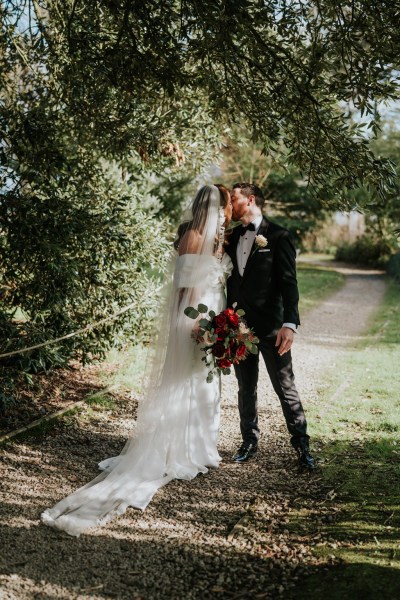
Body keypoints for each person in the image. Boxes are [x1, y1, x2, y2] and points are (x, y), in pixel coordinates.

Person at [41, 184, 233, 536]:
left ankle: (200, 446)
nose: (222, 215)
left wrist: (221, 326)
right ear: (208, 208)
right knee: (183, 381)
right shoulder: (192, 236)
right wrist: (196, 326)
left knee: (202, 382)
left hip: (211, 321)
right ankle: (177, 449)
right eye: (219, 209)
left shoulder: (217, 241)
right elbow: (184, 290)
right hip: (192, 320)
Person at [225, 182, 315, 469]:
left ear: (250, 200)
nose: (230, 204)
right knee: (245, 386)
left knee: (285, 385)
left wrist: (290, 323)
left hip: (272, 327)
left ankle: (302, 446)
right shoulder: (231, 236)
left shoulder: (278, 236)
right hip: (238, 326)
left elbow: (289, 283)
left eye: (234, 199)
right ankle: (248, 441)